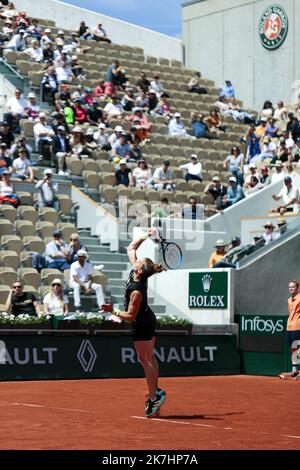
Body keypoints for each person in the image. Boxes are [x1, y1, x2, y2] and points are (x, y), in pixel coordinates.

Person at [102, 227, 166, 417]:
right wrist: (147, 235)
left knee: (146, 360)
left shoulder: (137, 290)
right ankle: (156, 391)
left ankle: (154, 398)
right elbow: (131, 248)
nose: (135, 259)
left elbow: (130, 316)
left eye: (138, 261)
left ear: (139, 270)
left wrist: (111, 310)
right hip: (146, 318)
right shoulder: (137, 272)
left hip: (142, 323)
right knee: (148, 358)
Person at [70, 249, 105, 314]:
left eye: (82, 256)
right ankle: (78, 306)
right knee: (77, 286)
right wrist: (85, 287)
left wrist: (88, 287)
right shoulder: (73, 265)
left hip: (86, 283)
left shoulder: (89, 265)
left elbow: (90, 278)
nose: (80, 258)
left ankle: (101, 306)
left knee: (98, 287)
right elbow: (75, 278)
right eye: (79, 256)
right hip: (74, 282)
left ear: (85, 257)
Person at [279, 280, 300, 380]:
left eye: (293, 287)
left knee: (298, 349)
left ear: (297, 288)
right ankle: (294, 370)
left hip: (298, 326)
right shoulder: (288, 300)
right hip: (290, 327)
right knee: (293, 349)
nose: (291, 288)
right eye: (289, 287)